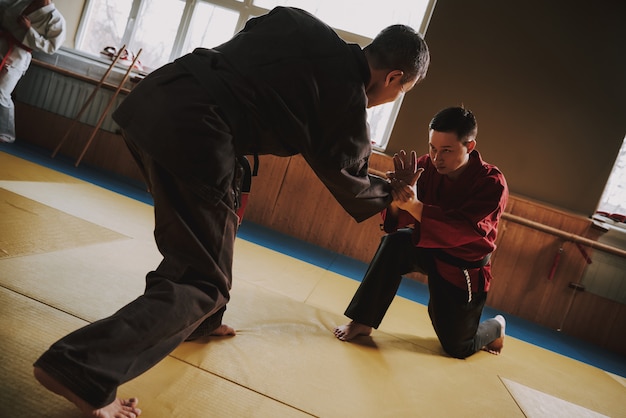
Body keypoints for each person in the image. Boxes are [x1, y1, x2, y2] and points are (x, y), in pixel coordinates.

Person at [33, 6, 430, 417]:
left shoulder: (299, 21)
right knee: (204, 281)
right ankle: (82, 365)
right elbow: (347, 174)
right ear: (394, 77)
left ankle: (201, 322)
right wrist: (395, 192)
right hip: (197, 133)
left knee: (207, 234)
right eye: (400, 92)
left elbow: (251, 46)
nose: (389, 99)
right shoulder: (345, 98)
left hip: (155, 97)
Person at [334, 106, 509, 360]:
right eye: (432, 148)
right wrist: (397, 197)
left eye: (447, 150)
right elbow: (396, 221)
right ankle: (363, 321)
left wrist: (415, 205)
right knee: (395, 243)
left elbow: (463, 229)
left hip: (461, 266)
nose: (437, 158)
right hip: (426, 247)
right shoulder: (426, 168)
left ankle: (496, 327)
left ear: (470, 146)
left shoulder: (492, 183)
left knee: (456, 347)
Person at [0, 0, 65, 143]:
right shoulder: (20, 2)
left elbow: (51, 47)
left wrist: (29, 30)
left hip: (18, 55)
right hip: (2, 43)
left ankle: (5, 132)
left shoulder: (56, 19)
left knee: (2, 92)